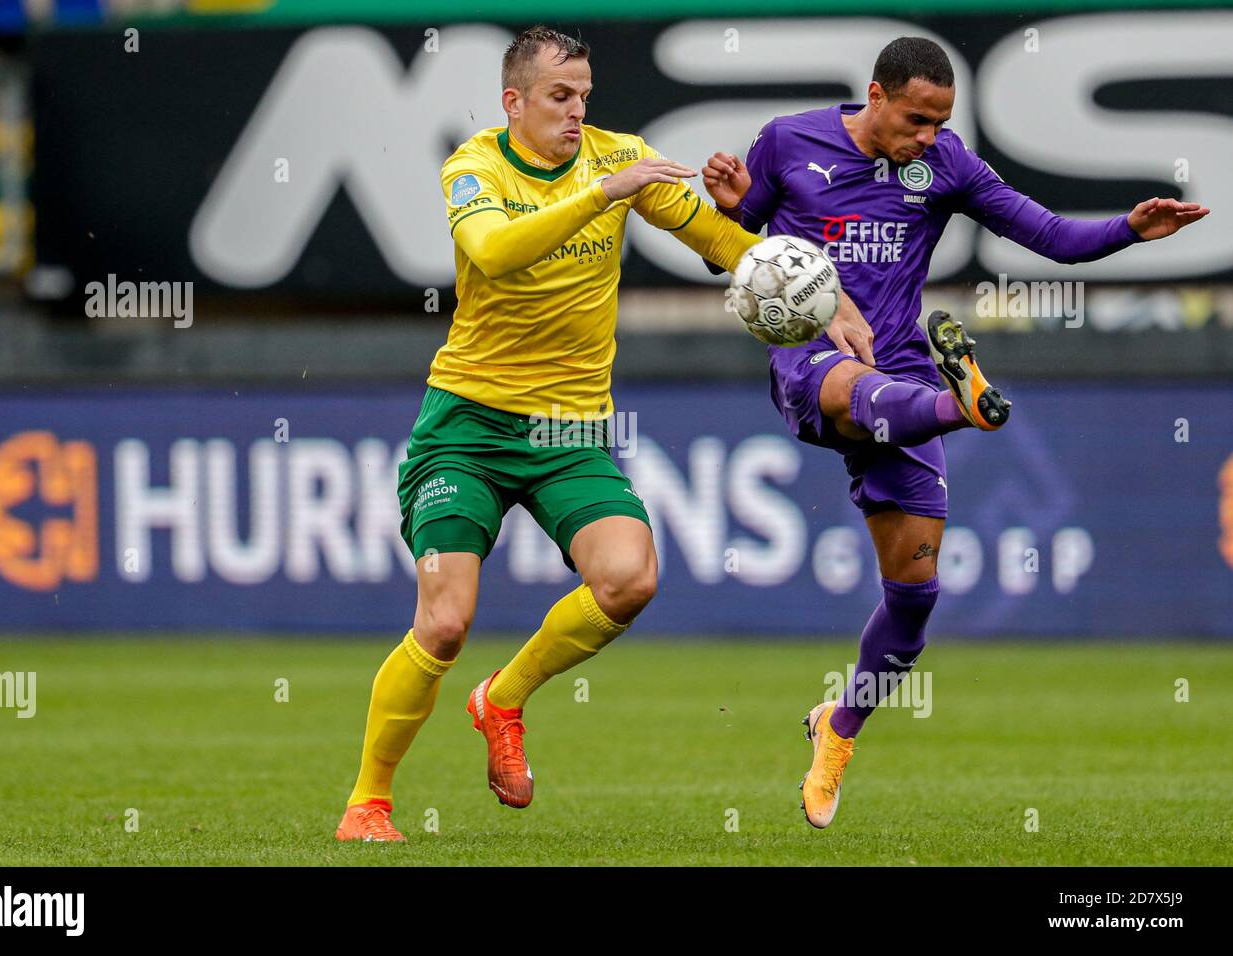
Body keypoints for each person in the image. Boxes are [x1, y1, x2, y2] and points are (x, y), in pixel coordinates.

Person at [701, 35, 1209, 829]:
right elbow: (732, 252)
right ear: (875, 96)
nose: (928, 136)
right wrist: (733, 207)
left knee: (914, 601)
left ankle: (837, 730)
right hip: (809, 356)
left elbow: (1047, 235)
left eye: (941, 120)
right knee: (850, 386)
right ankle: (960, 404)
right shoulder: (786, 141)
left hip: (902, 364)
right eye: (916, 119)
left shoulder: (946, 166)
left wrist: (1129, 229)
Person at [336, 24, 767, 842]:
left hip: (566, 430)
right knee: (445, 620)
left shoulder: (620, 154)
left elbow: (717, 239)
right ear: (515, 102)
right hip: (465, 424)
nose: (576, 113)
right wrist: (604, 194)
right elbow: (493, 252)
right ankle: (369, 802)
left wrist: (816, 297)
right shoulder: (477, 167)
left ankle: (502, 697)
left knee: (630, 578)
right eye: (559, 97)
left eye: (584, 98)